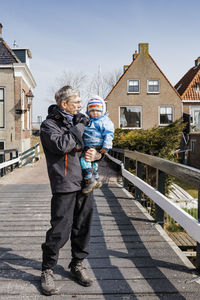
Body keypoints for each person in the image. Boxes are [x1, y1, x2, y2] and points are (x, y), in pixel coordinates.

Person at [40, 86, 101, 296]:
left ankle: (77, 264)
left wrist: (97, 155)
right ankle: (47, 269)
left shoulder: (79, 121)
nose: (80, 105)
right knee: (60, 229)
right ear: (64, 104)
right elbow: (62, 146)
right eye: (76, 102)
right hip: (64, 183)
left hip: (84, 183)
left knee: (83, 226)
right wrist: (80, 127)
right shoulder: (49, 125)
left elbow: (91, 144)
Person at [80, 96, 114, 194]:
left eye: (98, 110)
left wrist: (106, 147)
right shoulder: (88, 121)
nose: (95, 113)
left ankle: (89, 179)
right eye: (92, 110)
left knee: (84, 159)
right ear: (88, 111)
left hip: (97, 144)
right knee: (92, 162)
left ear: (102, 111)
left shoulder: (104, 121)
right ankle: (96, 177)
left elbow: (109, 134)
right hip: (89, 144)